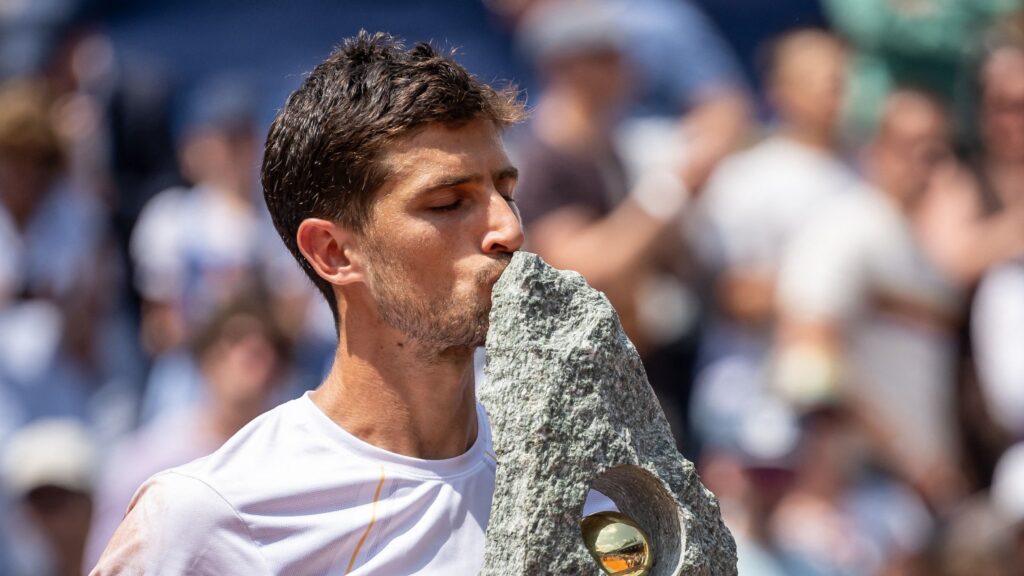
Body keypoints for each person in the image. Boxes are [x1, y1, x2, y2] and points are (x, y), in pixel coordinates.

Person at [91, 32, 612, 574]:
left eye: (506, 192)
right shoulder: (211, 519)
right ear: (334, 252)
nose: (508, 230)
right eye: (449, 203)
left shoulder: (585, 486)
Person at [774, 91, 965, 509]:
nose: (924, 162)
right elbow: (807, 362)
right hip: (852, 490)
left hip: (914, 493)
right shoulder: (846, 226)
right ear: (875, 148)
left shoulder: (926, 249)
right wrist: (906, 461)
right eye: (909, 146)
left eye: (936, 150)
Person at [83, 294, 290, 569]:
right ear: (207, 358)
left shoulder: (292, 463)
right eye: (237, 340)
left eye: (267, 347)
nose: (252, 355)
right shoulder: (147, 459)